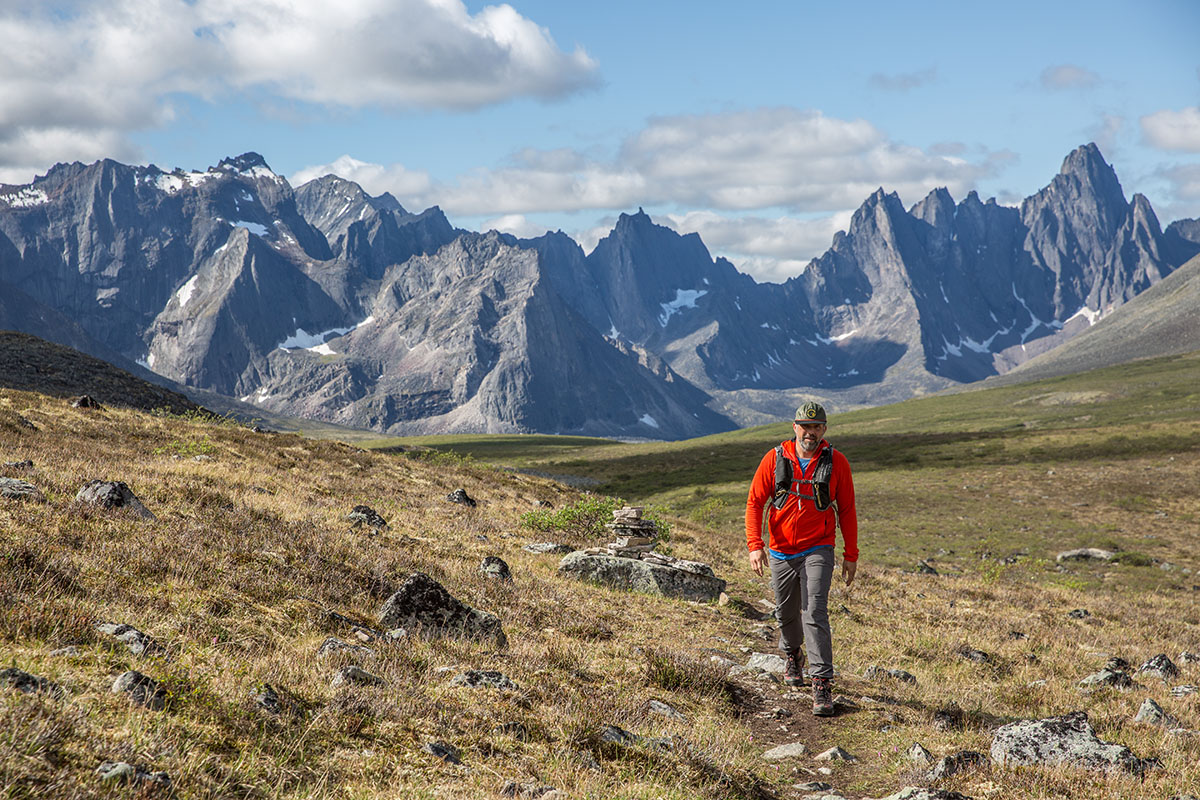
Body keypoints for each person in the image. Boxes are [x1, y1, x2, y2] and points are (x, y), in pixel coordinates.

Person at [744, 401, 858, 717]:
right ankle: (792, 653)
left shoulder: (838, 463)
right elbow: (755, 503)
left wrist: (851, 554)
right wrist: (756, 544)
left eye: (816, 427)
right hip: (780, 549)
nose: (810, 432)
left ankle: (821, 683)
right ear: (794, 427)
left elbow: (847, 509)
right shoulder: (774, 459)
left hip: (819, 548)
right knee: (786, 612)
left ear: (824, 430)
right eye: (805, 426)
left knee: (814, 611)